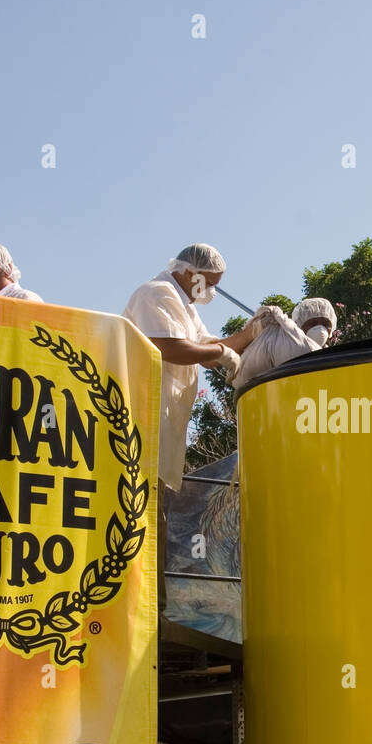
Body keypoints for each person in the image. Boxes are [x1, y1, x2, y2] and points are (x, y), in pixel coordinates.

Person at [123, 244, 252, 612]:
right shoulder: (157, 293)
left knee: (156, 522)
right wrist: (221, 354)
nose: (210, 291)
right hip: (140, 428)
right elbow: (170, 347)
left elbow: (210, 346)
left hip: (163, 437)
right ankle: (142, 614)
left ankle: (152, 613)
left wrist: (250, 331)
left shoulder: (184, 307)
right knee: (142, 524)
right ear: (190, 273)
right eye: (209, 283)